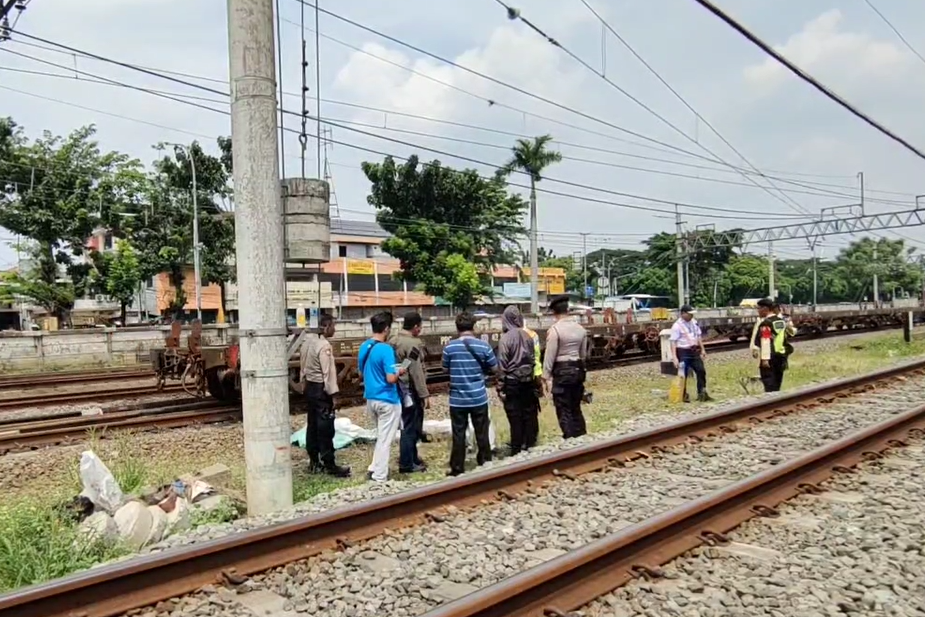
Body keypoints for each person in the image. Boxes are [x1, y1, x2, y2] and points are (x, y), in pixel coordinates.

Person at [442, 311, 498, 476]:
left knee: (459, 433)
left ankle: (457, 467)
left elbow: (445, 368)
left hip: (457, 400)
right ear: (473, 326)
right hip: (478, 397)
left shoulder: (449, 347)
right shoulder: (483, 346)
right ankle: (485, 461)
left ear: (457, 327)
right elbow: (494, 368)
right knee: (481, 431)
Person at [299, 313, 350, 477]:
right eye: (333, 325)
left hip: (310, 388)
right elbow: (328, 373)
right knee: (326, 427)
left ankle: (314, 461)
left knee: (312, 425)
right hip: (321, 390)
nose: (334, 329)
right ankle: (329, 463)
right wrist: (333, 394)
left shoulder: (306, 343)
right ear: (326, 326)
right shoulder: (324, 345)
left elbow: (302, 368)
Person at [357, 312, 405, 482]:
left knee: (381, 436)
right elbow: (390, 378)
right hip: (387, 400)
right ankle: (379, 476)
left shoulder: (365, 346)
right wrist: (399, 371)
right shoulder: (386, 349)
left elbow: (362, 372)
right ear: (386, 328)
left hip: (371, 399)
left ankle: (373, 468)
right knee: (385, 440)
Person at [496, 305, 542, 455]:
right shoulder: (528, 336)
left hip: (512, 382)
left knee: (515, 415)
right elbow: (533, 359)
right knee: (529, 413)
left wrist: (500, 386)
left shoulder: (505, 339)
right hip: (528, 380)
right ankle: (530, 443)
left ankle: (516, 447)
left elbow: (502, 365)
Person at [543, 295, 588, 439]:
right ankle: (582, 435)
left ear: (554, 313)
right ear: (568, 310)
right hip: (577, 369)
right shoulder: (581, 329)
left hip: (562, 372)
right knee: (576, 406)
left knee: (564, 408)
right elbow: (583, 354)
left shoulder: (555, 330)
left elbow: (550, 356)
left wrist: (545, 377)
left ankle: (569, 438)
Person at [390, 311, 429, 474]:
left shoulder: (392, 340)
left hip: (396, 387)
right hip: (409, 390)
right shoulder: (412, 344)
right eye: (420, 326)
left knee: (406, 425)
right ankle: (407, 463)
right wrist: (424, 394)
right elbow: (416, 371)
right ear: (415, 327)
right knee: (410, 426)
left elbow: (404, 365)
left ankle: (412, 457)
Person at [669, 305, 712, 403]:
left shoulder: (694, 322)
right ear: (683, 313)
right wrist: (675, 357)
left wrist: (702, 349)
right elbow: (673, 342)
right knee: (682, 374)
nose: (691, 316)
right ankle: (683, 395)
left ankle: (702, 392)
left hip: (694, 350)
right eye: (689, 314)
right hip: (683, 351)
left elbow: (698, 336)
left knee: (701, 370)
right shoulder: (677, 326)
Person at [753, 297, 793, 392]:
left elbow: (766, 340)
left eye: (759, 308)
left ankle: (770, 402)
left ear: (765, 309)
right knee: (777, 382)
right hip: (781, 356)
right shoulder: (780, 321)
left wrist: (765, 359)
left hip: (770, 357)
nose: (757, 311)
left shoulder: (766, 323)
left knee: (769, 384)